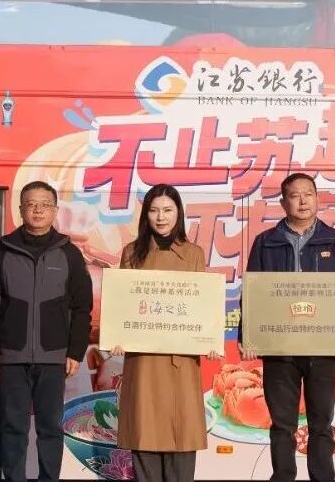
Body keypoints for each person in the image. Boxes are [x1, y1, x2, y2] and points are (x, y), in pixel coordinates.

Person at [238, 173, 335, 482]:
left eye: (308, 194)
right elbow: (253, 294)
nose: (302, 201)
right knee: (282, 425)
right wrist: (247, 336)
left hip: (321, 349)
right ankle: (282, 477)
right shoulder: (265, 242)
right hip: (279, 349)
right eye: (295, 195)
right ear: (283, 202)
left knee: (321, 424)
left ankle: (322, 477)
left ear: (317, 199)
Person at [0, 181, 92, 482]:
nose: (37, 210)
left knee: (50, 428)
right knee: (13, 427)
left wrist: (75, 351)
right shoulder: (1, 251)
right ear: (21, 209)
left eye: (44, 204)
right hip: (11, 356)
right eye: (31, 204)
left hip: (54, 357)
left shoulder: (69, 254)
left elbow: (82, 307)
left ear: (55, 210)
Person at [111, 183, 221, 482]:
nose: (161, 217)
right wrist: (117, 335)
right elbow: (123, 304)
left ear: (178, 213)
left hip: (181, 361)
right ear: (145, 215)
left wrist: (210, 338)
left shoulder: (194, 253)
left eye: (168, 210)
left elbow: (201, 305)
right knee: (144, 431)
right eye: (154, 210)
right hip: (143, 360)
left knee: (181, 434)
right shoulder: (132, 253)